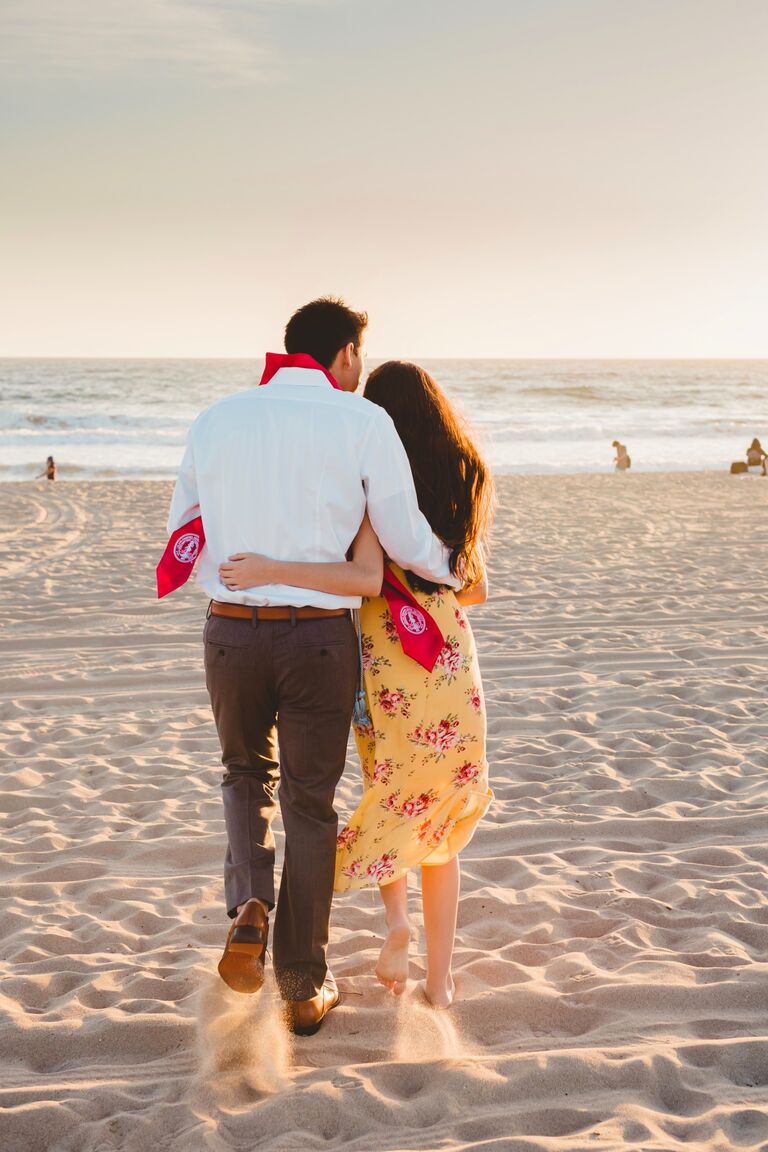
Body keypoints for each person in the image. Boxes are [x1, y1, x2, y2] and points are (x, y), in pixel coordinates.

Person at [165, 300, 460, 1036]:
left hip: (231, 633)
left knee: (242, 773)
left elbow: (186, 531)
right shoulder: (361, 422)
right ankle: (302, 983)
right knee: (310, 804)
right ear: (348, 355)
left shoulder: (218, 418)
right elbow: (399, 529)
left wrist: (246, 561)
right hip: (318, 640)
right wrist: (448, 569)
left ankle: (251, 904)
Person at [220, 362, 494, 1009]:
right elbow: (474, 585)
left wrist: (270, 568)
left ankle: (397, 925)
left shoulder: (373, 482)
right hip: (447, 653)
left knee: (390, 793)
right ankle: (440, 982)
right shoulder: (467, 477)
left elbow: (358, 574)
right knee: (443, 816)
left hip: (383, 661)